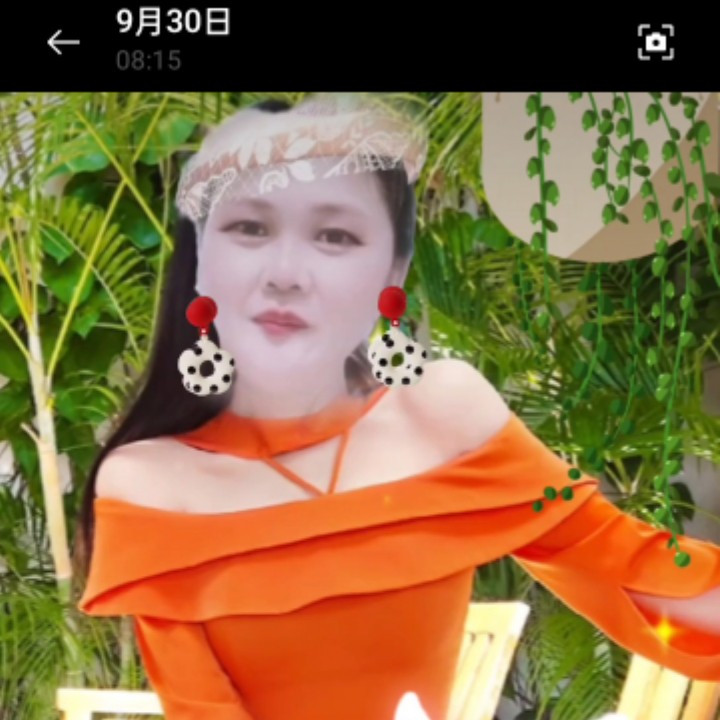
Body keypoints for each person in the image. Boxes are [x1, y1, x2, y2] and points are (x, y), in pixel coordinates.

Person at [76, 94, 720, 720]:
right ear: (201, 264)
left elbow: (648, 576)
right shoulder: (148, 480)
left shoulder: (443, 411)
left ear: (391, 271)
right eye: (251, 228)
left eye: (334, 235)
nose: (286, 272)